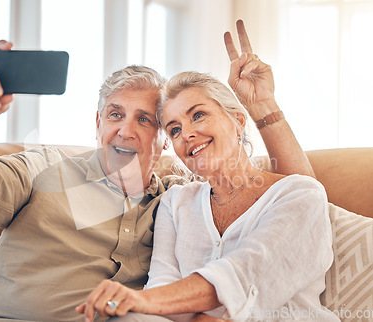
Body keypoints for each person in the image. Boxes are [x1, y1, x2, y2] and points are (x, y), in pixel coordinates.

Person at [0, 20, 313, 321]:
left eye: (145, 120)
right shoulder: (44, 168)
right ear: (97, 122)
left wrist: (262, 106)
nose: (125, 130)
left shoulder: (175, 198)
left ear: (164, 141)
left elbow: (298, 196)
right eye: (115, 114)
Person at [77, 20, 338, 321]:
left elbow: (243, 275)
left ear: (238, 121)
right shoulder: (176, 201)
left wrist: (143, 300)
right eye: (174, 129)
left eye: (198, 115)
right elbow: (162, 285)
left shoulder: (300, 194)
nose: (186, 134)